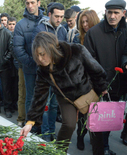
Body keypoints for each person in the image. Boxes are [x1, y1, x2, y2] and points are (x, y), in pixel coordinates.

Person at [20, 31, 108, 154]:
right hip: (65, 98)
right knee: (69, 124)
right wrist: (30, 122)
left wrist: (102, 86)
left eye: (42, 54)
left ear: (51, 48)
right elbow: (39, 94)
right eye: (37, 55)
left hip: (87, 92)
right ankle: (58, 152)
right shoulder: (43, 69)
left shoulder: (76, 50)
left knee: (95, 126)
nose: (40, 59)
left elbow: (95, 69)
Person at [84, 0, 127, 154]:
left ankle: (105, 147)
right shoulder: (93, 33)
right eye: (110, 12)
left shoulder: (126, 31)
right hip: (99, 86)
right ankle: (100, 149)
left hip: (120, 84)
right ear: (105, 12)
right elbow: (89, 62)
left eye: (116, 12)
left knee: (110, 119)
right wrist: (101, 85)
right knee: (98, 120)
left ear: (123, 13)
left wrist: (125, 63)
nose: (112, 16)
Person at [32, 2, 67, 141]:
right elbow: (36, 52)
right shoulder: (40, 29)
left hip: (58, 75)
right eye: (57, 16)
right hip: (45, 74)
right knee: (45, 104)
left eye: (62, 17)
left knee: (53, 105)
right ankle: (45, 133)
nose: (59, 19)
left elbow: (65, 51)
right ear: (49, 15)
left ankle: (51, 131)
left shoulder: (63, 30)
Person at [13, 0, 44, 133]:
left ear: (39, 2)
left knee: (45, 98)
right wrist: (33, 62)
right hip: (30, 68)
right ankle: (32, 127)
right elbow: (18, 49)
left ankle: (44, 127)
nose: (30, 6)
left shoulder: (46, 20)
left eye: (32, 2)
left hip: (46, 69)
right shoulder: (20, 24)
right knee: (30, 98)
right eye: (27, 3)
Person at [73, 9, 100, 151]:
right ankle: (80, 136)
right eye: (82, 22)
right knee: (84, 112)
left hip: (98, 81)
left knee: (97, 112)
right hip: (83, 82)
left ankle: (97, 140)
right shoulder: (77, 38)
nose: (84, 24)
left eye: (87, 21)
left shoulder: (100, 37)